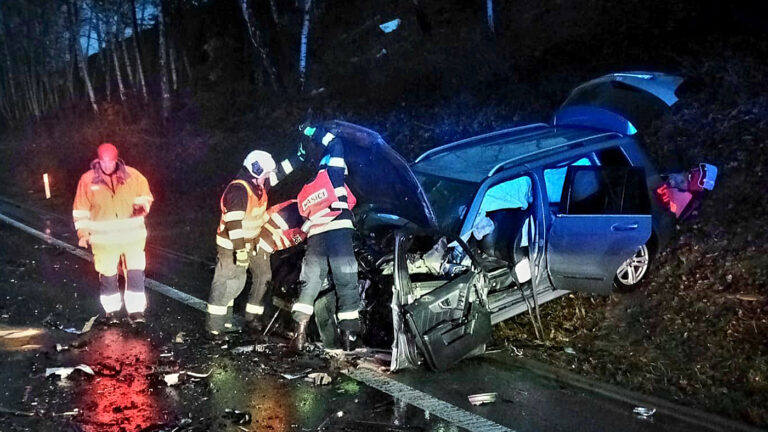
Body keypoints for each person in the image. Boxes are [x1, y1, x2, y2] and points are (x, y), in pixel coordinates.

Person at [206, 150, 303, 338]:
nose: (267, 178)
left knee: (236, 283)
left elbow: (279, 173)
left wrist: (298, 156)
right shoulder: (239, 190)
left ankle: (224, 324)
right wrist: (241, 250)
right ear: (256, 170)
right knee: (224, 284)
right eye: (265, 173)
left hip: (246, 244)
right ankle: (213, 329)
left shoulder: (256, 185)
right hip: (231, 246)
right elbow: (234, 223)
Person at [290, 124, 361, 352]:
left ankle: (298, 335)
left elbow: (305, 216)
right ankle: (349, 339)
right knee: (347, 285)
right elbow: (335, 143)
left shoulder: (305, 191)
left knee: (309, 286)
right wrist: (311, 129)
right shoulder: (333, 173)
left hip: (315, 241)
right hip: (339, 236)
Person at [72, 143, 153, 324]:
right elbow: (81, 210)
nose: (107, 165)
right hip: (104, 240)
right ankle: (112, 311)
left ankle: (136, 311)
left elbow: (146, 196)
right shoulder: (87, 180)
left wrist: (142, 206)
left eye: (110, 162)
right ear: (98, 160)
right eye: (103, 162)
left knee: (135, 274)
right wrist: (83, 233)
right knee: (108, 275)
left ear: (117, 160)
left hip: (132, 237)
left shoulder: (134, 176)